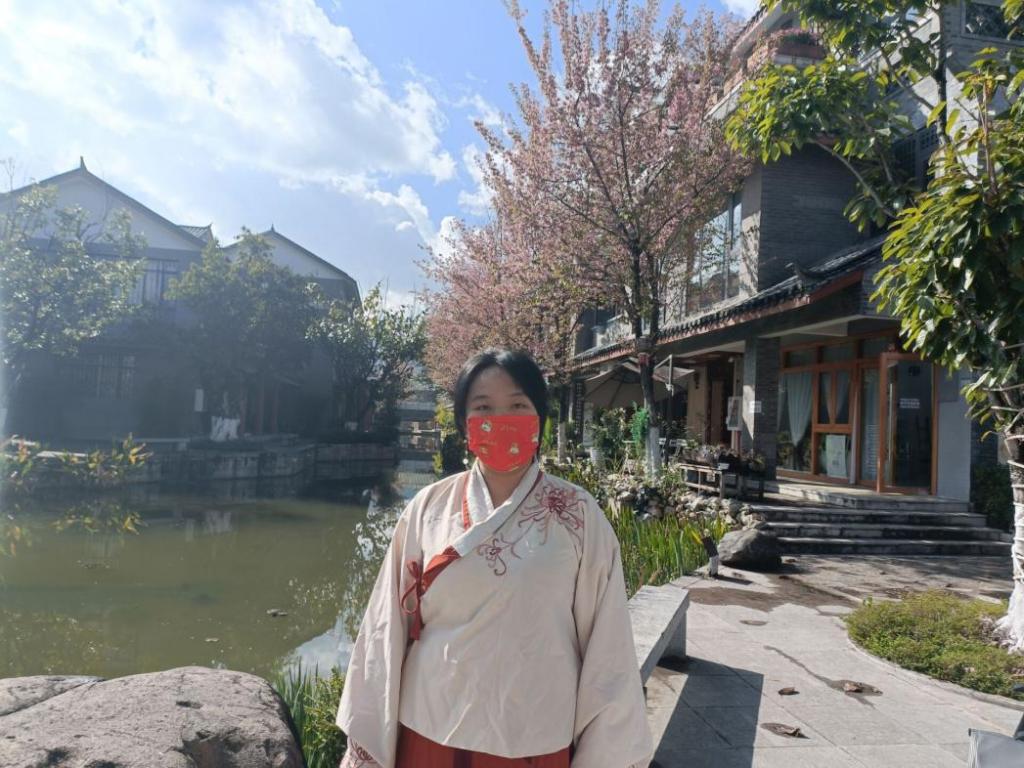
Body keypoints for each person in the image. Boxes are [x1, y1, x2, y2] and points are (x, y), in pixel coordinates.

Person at [336, 348, 653, 768]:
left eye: (517, 405)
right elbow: (385, 628)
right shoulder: (428, 508)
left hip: (533, 739)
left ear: (540, 416)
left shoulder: (578, 515)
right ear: (463, 421)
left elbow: (607, 648)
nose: (501, 419)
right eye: (483, 407)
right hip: (429, 729)